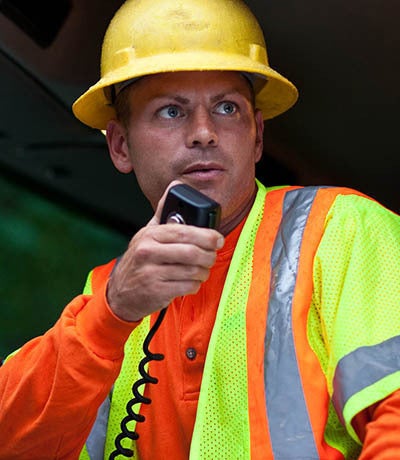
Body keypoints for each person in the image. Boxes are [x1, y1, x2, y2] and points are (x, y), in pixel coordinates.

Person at [1, 0, 400, 458]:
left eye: (228, 108)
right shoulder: (109, 294)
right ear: (119, 146)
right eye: (171, 111)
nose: (204, 132)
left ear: (257, 137)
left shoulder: (341, 228)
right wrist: (111, 315)